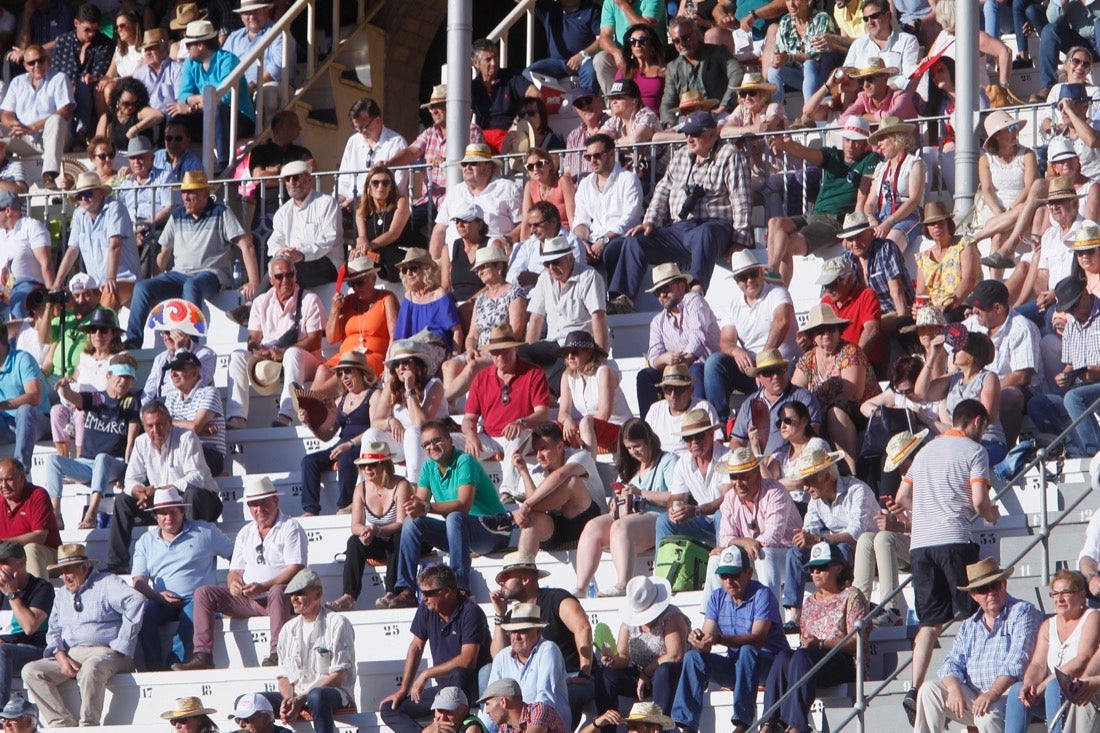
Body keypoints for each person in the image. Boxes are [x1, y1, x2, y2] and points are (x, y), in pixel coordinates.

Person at [894, 399, 1000, 724]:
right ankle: (968, 684)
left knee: (929, 623)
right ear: (978, 422)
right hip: (955, 536)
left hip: (921, 544)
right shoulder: (973, 450)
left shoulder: (925, 450)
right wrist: (990, 514)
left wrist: (926, 512)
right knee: (972, 612)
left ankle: (913, 689)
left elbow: (901, 499)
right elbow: (980, 500)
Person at [607, 112, 750, 313]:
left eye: (695, 134)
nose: (689, 139)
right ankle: (623, 300)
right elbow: (663, 189)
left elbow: (740, 199)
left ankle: (696, 290)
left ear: (711, 134)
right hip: (680, 227)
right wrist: (650, 221)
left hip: (716, 225)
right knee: (635, 240)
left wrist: (740, 240)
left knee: (705, 233)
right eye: (686, 134)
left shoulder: (729, 154)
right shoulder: (681, 155)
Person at [173, 475, 307, 670]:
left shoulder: (290, 527)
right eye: (254, 504)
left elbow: (295, 568)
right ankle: (203, 655)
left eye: (263, 503)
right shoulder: (246, 532)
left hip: (280, 599)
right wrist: (234, 583)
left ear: (275, 501)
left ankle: (278, 652)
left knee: (278, 590)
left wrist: (264, 586)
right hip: (250, 598)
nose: (259, 509)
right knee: (203, 593)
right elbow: (234, 570)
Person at [381, 421, 510, 608]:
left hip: (493, 530)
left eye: (436, 441)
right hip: (461, 532)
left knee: (455, 516)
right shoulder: (428, 468)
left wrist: (424, 507)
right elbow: (420, 504)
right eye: (426, 444)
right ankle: (406, 589)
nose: (431, 447)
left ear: (449, 440)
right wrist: (412, 507)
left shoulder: (465, 461)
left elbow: (463, 505)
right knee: (411, 523)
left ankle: (460, 587)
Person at [124, 169, 259, 347]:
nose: (186, 197)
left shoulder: (221, 212)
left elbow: (246, 245)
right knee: (142, 287)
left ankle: (190, 345)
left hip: (211, 274)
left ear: (205, 193)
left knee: (192, 285)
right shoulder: (177, 215)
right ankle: (132, 343)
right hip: (178, 275)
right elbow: (163, 254)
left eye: (192, 192)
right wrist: (156, 283)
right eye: (184, 192)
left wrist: (253, 281)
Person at [913, 559, 1043, 733]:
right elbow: (951, 662)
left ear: (1004, 584)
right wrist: (953, 687)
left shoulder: (1022, 612)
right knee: (929, 690)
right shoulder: (969, 625)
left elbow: (1017, 661)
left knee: (986, 715)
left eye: (994, 585)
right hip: (975, 695)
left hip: (1011, 694)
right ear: (973, 595)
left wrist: (991, 694)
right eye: (983, 589)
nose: (990, 593)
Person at [21, 542, 144, 727]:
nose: (63, 576)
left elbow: (136, 600)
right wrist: (59, 654)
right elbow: (53, 629)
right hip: (72, 654)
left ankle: (88, 725)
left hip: (107, 652)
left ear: (84, 566)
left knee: (92, 667)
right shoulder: (62, 595)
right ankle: (61, 724)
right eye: (60, 571)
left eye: (68, 570)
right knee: (31, 671)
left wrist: (122, 644)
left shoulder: (107, 582)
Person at [672, 545, 788, 733]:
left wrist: (717, 639)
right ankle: (687, 726)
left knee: (748, 651)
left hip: (770, 667)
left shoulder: (763, 595)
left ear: (749, 573)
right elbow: (707, 643)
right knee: (693, 658)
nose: (728, 581)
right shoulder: (717, 597)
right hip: (739, 666)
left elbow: (757, 640)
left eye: (734, 575)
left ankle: (743, 722)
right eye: (724, 576)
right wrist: (698, 639)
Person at [761, 542, 871, 733]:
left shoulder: (851, 595)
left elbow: (858, 642)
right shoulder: (809, 602)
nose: (815, 573)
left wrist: (821, 643)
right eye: (812, 569)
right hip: (812, 663)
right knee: (783, 657)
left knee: (802, 657)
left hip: (844, 662)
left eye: (821, 567)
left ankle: (796, 726)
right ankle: (768, 723)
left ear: (838, 567)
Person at [105, 399, 221, 574]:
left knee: (192, 494)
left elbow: (197, 477)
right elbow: (131, 479)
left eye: (160, 424)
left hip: (202, 502)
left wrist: (160, 491)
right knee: (123, 500)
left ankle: (188, 557)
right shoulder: (141, 442)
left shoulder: (186, 437)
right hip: (163, 505)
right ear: (144, 426)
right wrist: (140, 492)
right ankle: (117, 563)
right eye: (150, 426)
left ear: (169, 423)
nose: (155, 430)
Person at [765, 115, 879, 285]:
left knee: (786, 245)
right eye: (847, 140)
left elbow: (863, 193)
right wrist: (787, 145)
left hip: (834, 221)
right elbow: (807, 153)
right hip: (814, 214)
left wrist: (853, 230)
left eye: (856, 141)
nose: (850, 145)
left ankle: (779, 291)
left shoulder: (870, 159)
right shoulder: (832, 154)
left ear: (865, 144)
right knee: (775, 222)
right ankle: (772, 271)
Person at [131, 486, 234, 671]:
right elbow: (139, 582)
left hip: (199, 598)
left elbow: (237, 556)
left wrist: (234, 580)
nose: (168, 517)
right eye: (163, 513)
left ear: (182, 512)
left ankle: (173, 662)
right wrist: (158, 596)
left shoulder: (205, 531)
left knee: (194, 611)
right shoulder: (145, 541)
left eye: (173, 512)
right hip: (161, 599)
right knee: (142, 615)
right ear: (155, 516)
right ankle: (153, 666)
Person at [380, 564, 492, 732]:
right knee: (389, 708)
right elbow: (415, 647)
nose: (423, 598)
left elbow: (468, 660)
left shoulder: (471, 612)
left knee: (459, 672)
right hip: (443, 690)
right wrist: (403, 690)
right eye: (421, 592)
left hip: (469, 689)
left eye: (427, 593)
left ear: (446, 591)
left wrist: (427, 673)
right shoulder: (427, 609)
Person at [574, 418, 677, 595]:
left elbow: (675, 497)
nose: (633, 452)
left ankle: (623, 583)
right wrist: (616, 502)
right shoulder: (631, 467)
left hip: (659, 517)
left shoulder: (668, 460)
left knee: (621, 527)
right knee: (592, 527)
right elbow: (618, 495)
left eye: (637, 446)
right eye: (629, 448)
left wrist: (640, 493)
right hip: (630, 515)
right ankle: (581, 587)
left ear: (648, 440)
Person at [489, 552, 595, 722]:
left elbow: (583, 627)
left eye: (507, 577)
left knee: (566, 693)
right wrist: (500, 615)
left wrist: (584, 672)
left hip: (572, 676)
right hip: (531, 682)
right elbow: (499, 656)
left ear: (525, 579)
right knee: (487, 676)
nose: (501, 583)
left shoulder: (556, 598)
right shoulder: (513, 615)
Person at [782, 448, 878, 631]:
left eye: (809, 480)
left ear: (826, 477)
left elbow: (854, 535)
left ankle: (839, 606)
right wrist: (805, 537)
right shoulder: (816, 499)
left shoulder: (858, 490)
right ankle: (795, 615)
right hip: (834, 545)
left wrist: (817, 539)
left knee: (841, 549)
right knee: (795, 553)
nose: (805, 486)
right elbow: (810, 528)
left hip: (861, 549)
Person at [225, 254, 326, 428]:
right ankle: (237, 417)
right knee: (237, 356)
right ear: (271, 279)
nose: (285, 280)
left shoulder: (310, 300)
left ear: (296, 276)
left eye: (289, 275)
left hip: (306, 360)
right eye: (279, 276)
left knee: (293, 354)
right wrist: (257, 350)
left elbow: (315, 342)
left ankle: (286, 416)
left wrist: (284, 352)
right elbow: (253, 337)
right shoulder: (260, 302)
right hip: (270, 357)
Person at [45, 356, 140, 530]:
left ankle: (92, 513)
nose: (123, 381)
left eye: (128, 378)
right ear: (108, 376)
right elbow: (72, 397)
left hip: (114, 463)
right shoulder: (96, 398)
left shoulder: (132, 402)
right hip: (87, 464)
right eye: (119, 376)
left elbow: (131, 442)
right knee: (53, 460)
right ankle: (56, 515)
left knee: (102, 458)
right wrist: (64, 388)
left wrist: (127, 472)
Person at [705, 251, 799, 423]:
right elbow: (725, 341)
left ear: (761, 272)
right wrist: (736, 351)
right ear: (737, 281)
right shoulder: (733, 304)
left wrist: (763, 363)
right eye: (743, 277)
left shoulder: (777, 292)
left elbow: (781, 322)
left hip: (782, 366)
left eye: (753, 274)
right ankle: (720, 424)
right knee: (714, 363)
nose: (749, 280)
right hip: (753, 370)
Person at [462, 324, 551, 503]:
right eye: (495, 352)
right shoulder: (482, 377)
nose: (500, 356)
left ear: (515, 348)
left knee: (516, 437)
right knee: (452, 444)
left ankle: (507, 493)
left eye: (505, 351)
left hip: (521, 432)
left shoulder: (533, 373)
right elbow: (468, 419)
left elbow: (543, 413)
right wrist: (470, 434)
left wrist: (522, 422)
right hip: (489, 436)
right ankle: (458, 494)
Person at [1004, 570, 1099, 733]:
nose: (1059, 599)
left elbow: (1083, 658)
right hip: (1052, 694)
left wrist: (1045, 684)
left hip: (1081, 691)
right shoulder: (1048, 625)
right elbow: (1038, 664)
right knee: (1017, 691)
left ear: (1082, 595)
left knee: (1056, 685)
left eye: (1065, 593)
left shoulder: (1092, 617)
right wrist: (1030, 684)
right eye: (1055, 594)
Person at [324, 442, 411, 613]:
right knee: (354, 542)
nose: (367, 469)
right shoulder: (361, 488)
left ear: (385, 465)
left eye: (372, 465)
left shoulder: (401, 485)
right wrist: (364, 532)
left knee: (398, 537)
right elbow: (355, 525)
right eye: (363, 466)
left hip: (401, 540)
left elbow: (402, 522)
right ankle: (349, 596)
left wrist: (377, 530)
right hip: (378, 540)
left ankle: (392, 592)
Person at [386, 84, 485, 232]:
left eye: (438, 106)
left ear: (450, 106)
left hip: (457, 197)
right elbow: (411, 151)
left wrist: (447, 161)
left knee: (448, 232)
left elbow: (475, 160)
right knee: (400, 227)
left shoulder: (470, 130)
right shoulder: (429, 133)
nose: (434, 111)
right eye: (431, 107)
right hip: (429, 199)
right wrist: (388, 164)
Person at [791, 303, 881, 463]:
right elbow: (794, 394)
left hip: (862, 413)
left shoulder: (850, 351)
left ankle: (850, 472)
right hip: (820, 415)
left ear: (839, 330)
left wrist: (817, 414)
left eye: (831, 329)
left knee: (835, 412)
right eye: (820, 331)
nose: (826, 335)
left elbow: (851, 395)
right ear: (812, 336)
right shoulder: (808, 359)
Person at [270, 568, 356, 733]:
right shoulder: (288, 629)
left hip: (335, 695)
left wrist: (301, 699)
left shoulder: (337, 623)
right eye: (291, 594)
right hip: (299, 695)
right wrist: (289, 699)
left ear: (318, 594)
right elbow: (283, 676)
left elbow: (338, 677)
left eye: (299, 593)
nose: (294, 598)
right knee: (253, 702)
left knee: (317, 696)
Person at [852, 429, 924, 627]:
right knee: (867, 538)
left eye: (905, 466)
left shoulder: (929, 481)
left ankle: (891, 607)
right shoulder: (906, 483)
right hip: (909, 546)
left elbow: (933, 526)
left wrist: (898, 525)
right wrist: (897, 517)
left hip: (926, 546)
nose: (901, 472)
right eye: (899, 467)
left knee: (884, 538)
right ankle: (857, 605)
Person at [594, 575, 687, 723]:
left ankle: (660, 727)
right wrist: (612, 660)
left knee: (664, 671)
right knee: (604, 675)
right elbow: (624, 657)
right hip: (641, 677)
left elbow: (675, 655)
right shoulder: (629, 622)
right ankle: (607, 726)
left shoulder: (671, 616)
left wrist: (646, 673)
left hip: (671, 674)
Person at [521, 236, 608, 392]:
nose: (551, 267)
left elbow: (598, 317)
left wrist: (601, 356)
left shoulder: (589, 276)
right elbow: (535, 319)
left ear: (570, 258)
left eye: (556, 262)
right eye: (547, 264)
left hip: (581, 344)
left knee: (570, 352)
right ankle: (529, 392)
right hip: (554, 342)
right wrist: (531, 349)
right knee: (520, 354)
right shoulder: (544, 278)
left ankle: (548, 395)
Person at [442, 246, 527, 403]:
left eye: (483, 267)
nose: (478, 272)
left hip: (502, 352)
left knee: (472, 366)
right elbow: (473, 334)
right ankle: (449, 411)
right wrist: (470, 349)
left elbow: (516, 330)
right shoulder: (481, 299)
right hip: (479, 352)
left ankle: (443, 403)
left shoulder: (515, 293)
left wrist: (492, 350)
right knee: (448, 365)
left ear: (499, 266)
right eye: (477, 269)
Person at [1026, 277, 1100, 458]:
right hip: (1084, 386)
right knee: (1038, 404)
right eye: (1069, 309)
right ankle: (1071, 452)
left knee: (1073, 398)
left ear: (1085, 293)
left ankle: (1094, 455)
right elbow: (1070, 364)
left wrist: (1094, 371)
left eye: (1074, 306)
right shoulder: (1072, 324)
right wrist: (1065, 375)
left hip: (1092, 386)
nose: (1072, 312)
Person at [714, 447, 799, 602]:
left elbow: (772, 538)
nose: (738, 483)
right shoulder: (730, 498)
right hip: (752, 558)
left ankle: (772, 619)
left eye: (744, 476)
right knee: (717, 559)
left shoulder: (775, 492)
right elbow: (724, 539)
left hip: (789, 558)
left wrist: (740, 544)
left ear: (757, 474)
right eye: (734, 477)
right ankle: (712, 620)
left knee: (764, 554)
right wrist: (743, 542)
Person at [509, 421, 606, 556]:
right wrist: (523, 470)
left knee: (572, 482)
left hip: (590, 523)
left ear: (560, 446)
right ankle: (522, 570)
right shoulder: (537, 471)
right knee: (532, 520)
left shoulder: (581, 456)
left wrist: (525, 506)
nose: (538, 456)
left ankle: (507, 518)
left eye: (543, 449)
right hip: (557, 528)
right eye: (535, 450)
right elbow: (535, 504)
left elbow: (560, 475)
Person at [635, 263, 719, 418]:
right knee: (644, 376)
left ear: (681, 286)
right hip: (674, 371)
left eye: (666, 288)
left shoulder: (694, 301)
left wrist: (681, 363)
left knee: (694, 370)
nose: (662, 295)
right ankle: (648, 429)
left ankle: (699, 421)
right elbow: (653, 357)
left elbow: (697, 339)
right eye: (658, 292)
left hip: (703, 366)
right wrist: (664, 358)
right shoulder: (657, 321)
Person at [916, 325, 1009, 463]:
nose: (953, 351)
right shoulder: (953, 378)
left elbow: (985, 418)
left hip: (987, 443)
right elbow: (920, 393)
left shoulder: (988, 378)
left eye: (959, 349)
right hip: (958, 443)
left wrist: (953, 437)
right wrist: (933, 355)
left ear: (971, 354)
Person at [298, 351, 374, 516]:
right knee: (309, 461)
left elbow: (375, 428)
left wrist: (350, 444)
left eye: (348, 371)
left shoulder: (373, 395)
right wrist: (309, 423)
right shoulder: (340, 401)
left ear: (361, 371)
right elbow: (327, 435)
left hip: (363, 444)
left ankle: (346, 504)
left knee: (347, 458)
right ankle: (310, 508)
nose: (344, 377)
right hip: (341, 444)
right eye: (340, 373)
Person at [169, 19, 255, 167]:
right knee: (173, 114)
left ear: (201, 45)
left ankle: (223, 165)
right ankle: (172, 161)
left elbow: (223, 98)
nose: (186, 48)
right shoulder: (191, 62)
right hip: (206, 115)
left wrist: (192, 106)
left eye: (189, 44)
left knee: (218, 110)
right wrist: (199, 102)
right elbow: (183, 94)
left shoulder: (228, 60)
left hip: (238, 118)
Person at [366, 342, 448, 485]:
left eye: (405, 362)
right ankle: (365, 488)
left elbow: (422, 424)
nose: (400, 368)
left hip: (431, 442)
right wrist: (390, 421)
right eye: (396, 364)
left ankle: (414, 486)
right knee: (371, 435)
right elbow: (375, 421)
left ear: (417, 365)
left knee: (412, 432)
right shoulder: (392, 388)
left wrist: (409, 389)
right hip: (403, 443)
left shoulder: (434, 385)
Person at [54, 172, 139, 309]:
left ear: (101, 193)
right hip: (96, 286)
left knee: (109, 294)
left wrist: (111, 278)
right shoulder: (79, 214)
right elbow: (72, 251)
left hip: (125, 280)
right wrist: (57, 284)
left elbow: (115, 245)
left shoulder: (115, 208)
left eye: (88, 194)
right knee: (60, 304)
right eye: (79, 196)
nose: (83, 199)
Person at [428, 143, 522, 261]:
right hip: (455, 261)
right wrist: (433, 264)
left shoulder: (508, 189)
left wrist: (507, 239)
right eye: (464, 164)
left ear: (488, 166)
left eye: (473, 163)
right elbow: (439, 230)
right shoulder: (455, 192)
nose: (467, 167)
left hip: (493, 259)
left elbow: (523, 223)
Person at [314, 256, 397, 388]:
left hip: (371, 358)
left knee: (349, 370)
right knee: (322, 370)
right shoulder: (347, 301)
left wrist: (390, 363)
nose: (356, 288)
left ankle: (309, 400)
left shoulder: (386, 298)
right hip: (345, 356)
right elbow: (331, 338)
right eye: (352, 284)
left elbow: (395, 336)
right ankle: (310, 403)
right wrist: (335, 309)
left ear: (373, 278)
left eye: (360, 282)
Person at [484, 602, 570, 728]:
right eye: (513, 631)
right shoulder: (502, 657)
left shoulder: (549, 650)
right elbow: (491, 701)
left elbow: (545, 700)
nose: (516, 636)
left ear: (538, 631)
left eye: (523, 631)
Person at [571, 132, 643, 279]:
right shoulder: (585, 184)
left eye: (597, 156)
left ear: (611, 154)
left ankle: (615, 297)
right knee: (571, 250)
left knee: (612, 250)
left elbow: (631, 218)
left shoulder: (628, 179)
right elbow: (581, 220)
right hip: (594, 240)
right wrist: (582, 242)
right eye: (588, 157)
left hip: (620, 237)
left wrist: (604, 240)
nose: (592, 161)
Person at [0, 45, 74, 186]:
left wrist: (32, 127)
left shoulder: (59, 78)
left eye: (40, 60)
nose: (37, 65)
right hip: (26, 138)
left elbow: (65, 111)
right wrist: (14, 125)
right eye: (31, 63)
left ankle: (49, 174)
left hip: (55, 138)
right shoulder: (17, 82)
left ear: (48, 60)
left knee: (56, 120)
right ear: (25, 65)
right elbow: (5, 114)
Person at [654, 409, 728, 548]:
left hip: (731, 520)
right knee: (663, 521)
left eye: (699, 436)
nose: (694, 442)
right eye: (688, 438)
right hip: (703, 521)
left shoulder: (727, 457)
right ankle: (662, 569)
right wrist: (674, 510)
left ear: (711, 434)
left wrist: (696, 511)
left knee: (721, 515)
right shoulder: (683, 463)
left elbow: (728, 498)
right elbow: (676, 497)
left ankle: (722, 565)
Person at [729, 349, 822, 457]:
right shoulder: (748, 404)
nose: (775, 376)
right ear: (758, 377)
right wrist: (747, 462)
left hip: (793, 464)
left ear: (786, 369)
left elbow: (812, 436)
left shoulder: (804, 398)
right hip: (760, 468)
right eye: (768, 372)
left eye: (780, 370)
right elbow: (736, 442)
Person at [265, 160, 342, 289]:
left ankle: (250, 305)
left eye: (295, 178)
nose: (291, 183)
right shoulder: (282, 212)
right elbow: (274, 242)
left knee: (285, 272)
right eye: (287, 179)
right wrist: (280, 251)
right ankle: (255, 305)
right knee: (277, 270)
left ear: (308, 179)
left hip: (327, 263)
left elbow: (327, 241)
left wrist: (301, 254)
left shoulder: (327, 203)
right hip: (294, 265)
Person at [659, 17, 742, 127]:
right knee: (658, 138)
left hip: (719, 117)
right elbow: (667, 102)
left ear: (697, 34)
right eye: (677, 41)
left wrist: (723, 106)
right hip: (688, 121)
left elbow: (737, 73)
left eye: (686, 38)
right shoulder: (673, 67)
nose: (682, 44)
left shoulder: (718, 53)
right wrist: (670, 124)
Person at [558, 330, 631, 453]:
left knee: (586, 422)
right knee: (554, 427)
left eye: (575, 352)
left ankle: (588, 468)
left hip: (618, 429)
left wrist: (578, 431)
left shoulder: (604, 372)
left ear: (589, 353)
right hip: (589, 428)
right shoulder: (567, 376)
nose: (570, 356)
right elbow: (563, 413)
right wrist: (567, 421)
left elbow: (603, 415)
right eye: (567, 352)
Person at [0, 540, 53, 707]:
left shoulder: (42, 588)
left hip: (34, 650)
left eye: (4, 563)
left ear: (21, 563)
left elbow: (30, 627)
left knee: (1, 651)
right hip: (5, 651)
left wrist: (12, 594)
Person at [221, 0, 293, 119]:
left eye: (257, 11)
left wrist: (252, 85)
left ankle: (266, 137)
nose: (252, 17)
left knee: (268, 93)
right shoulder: (233, 38)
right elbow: (223, 65)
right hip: (239, 89)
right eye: (247, 13)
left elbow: (278, 67)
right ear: (241, 16)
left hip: (269, 85)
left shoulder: (279, 31)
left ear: (266, 11)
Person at [163, 350, 226, 475]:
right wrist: (200, 429)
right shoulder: (171, 397)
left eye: (178, 369)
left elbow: (194, 427)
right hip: (180, 450)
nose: (173, 374)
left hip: (208, 453)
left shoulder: (209, 392)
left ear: (196, 372)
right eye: (171, 370)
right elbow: (165, 431)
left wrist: (170, 423)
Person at [914, 201, 980, 321]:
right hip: (933, 311)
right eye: (932, 224)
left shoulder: (964, 244)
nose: (936, 227)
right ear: (927, 229)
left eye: (940, 222)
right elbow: (921, 293)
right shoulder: (923, 257)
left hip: (960, 305)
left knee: (946, 319)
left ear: (948, 223)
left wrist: (949, 305)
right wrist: (919, 309)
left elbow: (969, 280)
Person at [469, 39, 537, 152]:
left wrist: (518, 121)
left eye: (495, 57)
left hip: (509, 135)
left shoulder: (511, 77)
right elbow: (465, 117)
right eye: (488, 59)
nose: (494, 63)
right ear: (476, 63)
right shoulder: (473, 87)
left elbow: (535, 94)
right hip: (484, 140)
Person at [140, 299, 215, 402]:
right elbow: (149, 391)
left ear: (186, 333)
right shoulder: (160, 358)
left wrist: (181, 349)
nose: (167, 337)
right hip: (162, 408)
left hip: (190, 404)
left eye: (171, 332)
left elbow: (197, 385)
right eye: (163, 333)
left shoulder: (206, 354)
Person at [0, 456, 60, 585]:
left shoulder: (37, 494)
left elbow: (40, 537)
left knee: (31, 549)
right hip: (8, 559)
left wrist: (4, 543)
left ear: (23, 478)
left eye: (9, 480)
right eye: (0, 480)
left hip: (46, 556)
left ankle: (39, 598)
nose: (3, 485)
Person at [768, 0, 841, 103]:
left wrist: (789, 58)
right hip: (799, 76)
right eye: (788, 0)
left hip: (821, 77)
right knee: (773, 71)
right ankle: (777, 113)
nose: (791, 4)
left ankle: (809, 111)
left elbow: (816, 55)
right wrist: (777, 58)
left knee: (809, 64)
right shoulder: (785, 21)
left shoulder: (821, 18)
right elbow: (780, 51)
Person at [353, 164, 414, 284]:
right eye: (375, 183)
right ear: (368, 188)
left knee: (385, 252)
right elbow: (362, 237)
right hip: (374, 254)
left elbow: (394, 233)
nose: (380, 186)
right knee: (353, 255)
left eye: (385, 183)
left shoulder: (401, 202)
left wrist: (369, 245)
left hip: (399, 253)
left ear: (391, 187)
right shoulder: (361, 209)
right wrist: (361, 245)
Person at [393, 248, 462, 354]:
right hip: (414, 352)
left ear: (426, 269)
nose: (409, 273)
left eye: (413, 268)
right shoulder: (409, 297)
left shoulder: (440, 295)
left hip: (436, 351)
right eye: (404, 270)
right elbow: (399, 336)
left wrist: (455, 355)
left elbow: (457, 331)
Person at [0, 192, 54, 322]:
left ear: (7, 211)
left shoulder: (32, 226)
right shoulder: (1, 233)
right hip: (4, 288)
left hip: (30, 285)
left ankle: (18, 341)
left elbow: (46, 262)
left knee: (19, 300)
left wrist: (52, 295)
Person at [839, 0, 919, 87]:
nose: (870, 22)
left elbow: (909, 76)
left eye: (874, 16)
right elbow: (847, 76)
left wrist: (884, 93)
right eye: (866, 19)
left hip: (895, 96)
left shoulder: (908, 41)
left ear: (888, 16)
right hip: (862, 97)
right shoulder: (857, 45)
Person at [477, 678, 570, 733]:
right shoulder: (504, 728)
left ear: (503, 702)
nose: (486, 710)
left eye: (488, 704)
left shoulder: (539, 710)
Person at [520, 147, 575, 240]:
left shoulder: (563, 182)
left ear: (549, 165)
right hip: (539, 237)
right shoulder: (529, 186)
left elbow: (572, 218)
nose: (535, 169)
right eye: (530, 167)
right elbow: (526, 222)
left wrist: (575, 242)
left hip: (563, 235)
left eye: (539, 164)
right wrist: (523, 246)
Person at [96, 77, 163, 152]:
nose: (130, 107)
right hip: (117, 158)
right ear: (118, 99)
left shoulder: (139, 112)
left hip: (140, 157)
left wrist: (135, 129)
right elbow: (98, 143)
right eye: (126, 103)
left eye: (134, 103)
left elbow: (159, 115)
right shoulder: (108, 117)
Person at [616, 23, 666, 115]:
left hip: (656, 120)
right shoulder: (624, 71)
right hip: (631, 120)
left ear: (652, 44)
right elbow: (616, 101)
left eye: (642, 40)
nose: (637, 44)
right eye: (632, 41)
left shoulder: (664, 71)